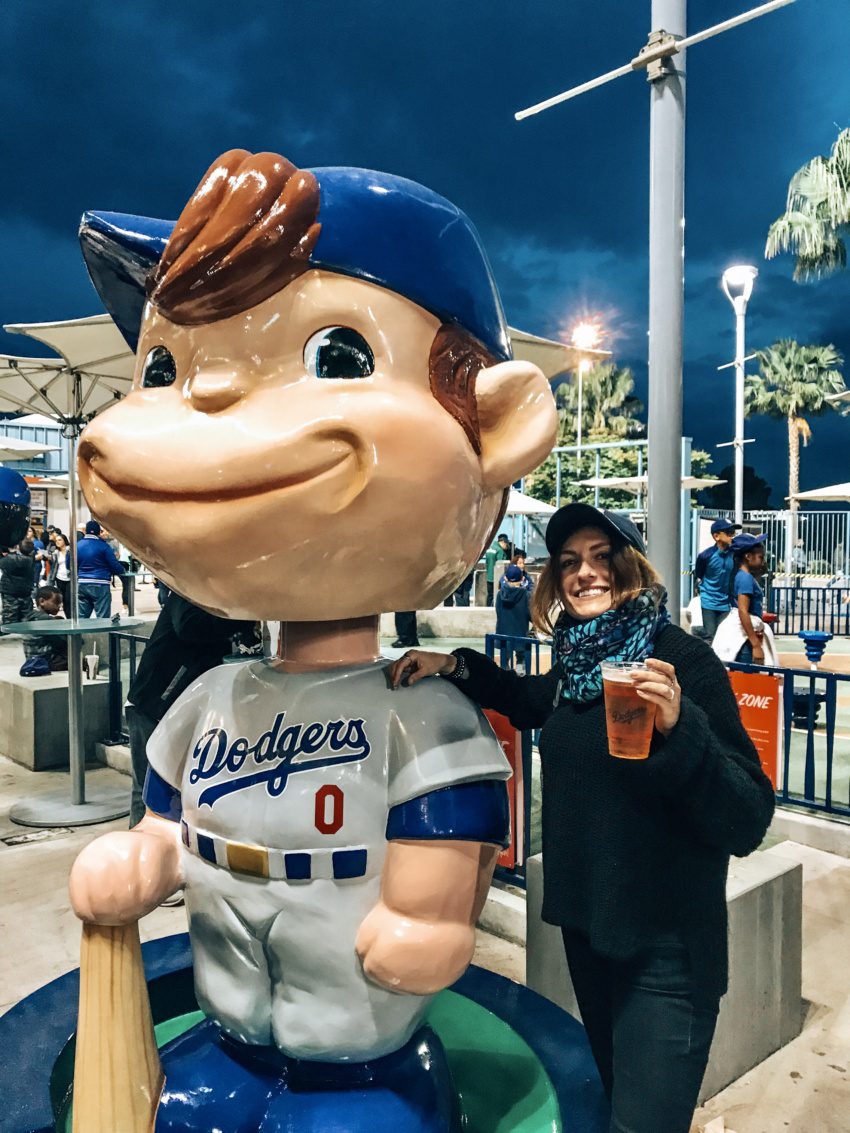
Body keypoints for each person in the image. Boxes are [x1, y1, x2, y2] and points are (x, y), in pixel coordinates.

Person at [390, 502, 775, 1133]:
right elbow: (527, 699)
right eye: (569, 562)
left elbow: (748, 819)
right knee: (609, 1103)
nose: (584, 573)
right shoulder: (574, 668)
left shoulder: (679, 663)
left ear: (630, 567)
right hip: (593, 935)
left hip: (668, 951)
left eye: (602, 557)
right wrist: (456, 665)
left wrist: (682, 731)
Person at [125, 593, 254, 827]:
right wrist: (245, 617)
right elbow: (189, 626)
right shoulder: (188, 590)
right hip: (152, 704)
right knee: (149, 792)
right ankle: (141, 855)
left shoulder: (220, 600)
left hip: (177, 707)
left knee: (175, 789)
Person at [693, 518, 740, 642]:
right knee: (711, 636)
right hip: (709, 602)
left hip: (726, 603)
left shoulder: (734, 554)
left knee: (725, 637)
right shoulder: (705, 556)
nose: (732, 536)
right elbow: (699, 573)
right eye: (729, 532)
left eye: (733, 532)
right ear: (716, 536)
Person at [76, 519, 125, 618]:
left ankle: (79, 633)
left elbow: (69, 565)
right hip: (100, 584)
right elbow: (114, 565)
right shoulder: (104, 546)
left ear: (85, 531)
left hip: (82, 583)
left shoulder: (77, 545)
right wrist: (122, 570)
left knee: (81, 618)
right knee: (102, 618)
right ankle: (103, 634)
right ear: (99, 532)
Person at [22, 585, 68, 671]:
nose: (59, 606)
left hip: (31, 659)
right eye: (56, 602)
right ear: (42, 601)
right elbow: (61, 642)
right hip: (48, 660)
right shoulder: (47, 621)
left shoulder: (30, 617)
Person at [0, 540, 35, 624]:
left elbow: (2, 563)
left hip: (10, 593)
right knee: (26, 619)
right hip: (25, 592)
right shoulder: (30, 560)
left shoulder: (8, 559)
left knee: (10, 619)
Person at [49, 532, 72, 615]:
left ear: (64, 541)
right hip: (59, 578)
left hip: (69, 578)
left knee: (69, 599)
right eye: (56, 540)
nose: (57, 542)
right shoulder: (56, 552)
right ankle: (67, 617)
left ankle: (70, 617)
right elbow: (53, 565)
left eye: (59, 540)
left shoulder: (70, 550)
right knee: (63, 600)